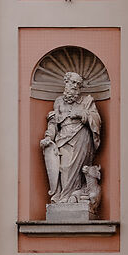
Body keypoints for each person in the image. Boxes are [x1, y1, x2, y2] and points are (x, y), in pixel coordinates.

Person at [40, 72, 102, 209]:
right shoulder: (58, 102)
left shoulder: (86, 101)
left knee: (77, 168)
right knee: (64, 167)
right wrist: (48, 137)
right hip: (63, 138)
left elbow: (97, 120)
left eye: (78, 84)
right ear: (66, 83)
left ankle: (73, 196)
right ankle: (63, 196)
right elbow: (53, 123)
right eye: (73, 82)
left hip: (81, 136)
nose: (75, 86)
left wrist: (82, 115)